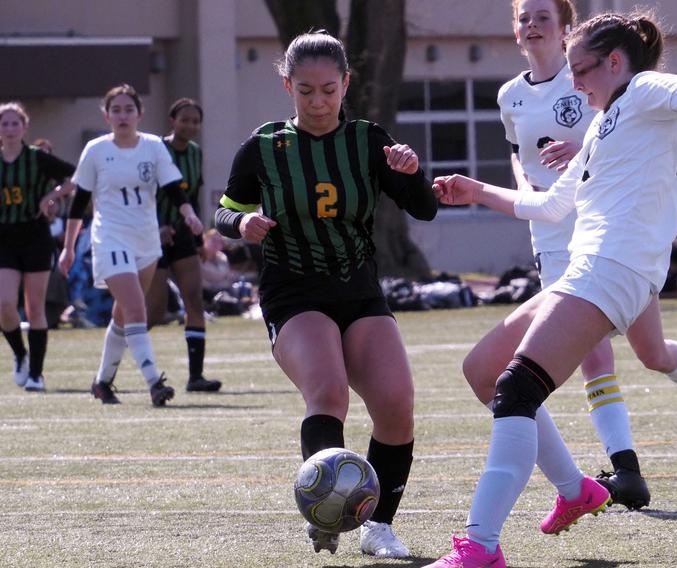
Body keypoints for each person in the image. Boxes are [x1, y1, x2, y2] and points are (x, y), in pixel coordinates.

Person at [428, 11, 677, 566]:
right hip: (586, 268)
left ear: (615, 62)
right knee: (483, 372)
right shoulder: (600, 125)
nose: (573, 82)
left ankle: (481, 547)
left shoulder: (642, 89)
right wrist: (475, 192)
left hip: (617, 270)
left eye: (581, 70)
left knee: (517, 389)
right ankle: (576, 490)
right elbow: (550, 205)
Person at [213, 32, 437, 558]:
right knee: (329, 393)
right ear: (287, 85)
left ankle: (378, 528)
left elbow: (423, 208)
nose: (318, 102)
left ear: (346, 85)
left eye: (329, 90)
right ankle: (324, 512)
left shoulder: (366, 140)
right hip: (293, 291)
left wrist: (411, 173)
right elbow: (222, 213)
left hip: (358, 289)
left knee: (397, 405)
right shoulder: (264, 147)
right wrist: (241, 221)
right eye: (306, 91)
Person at [58, 84, 204, 406]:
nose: (122, 115)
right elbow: (78, 202)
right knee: (137, 307)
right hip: (110, 237)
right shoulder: (96, 150)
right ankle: (154, 382)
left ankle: (101, 382)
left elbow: (173, 188)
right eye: (116, 110)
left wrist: (190, 215)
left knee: (123, 315)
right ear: (106, 115)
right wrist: (69, 248)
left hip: (146, 238)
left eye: (128, 109)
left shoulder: (153, 146)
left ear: (140, 113)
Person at [145, 98, 221, 392]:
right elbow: (143, 196)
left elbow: (192, 197)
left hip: (183, 235)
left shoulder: (195, 153)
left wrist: (200, 238)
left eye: (195, 121)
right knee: (155, 310)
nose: (190, 125)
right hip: (152, 236)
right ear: (171, 121)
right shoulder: (155, 151)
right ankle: (111, 362)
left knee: (194, 300)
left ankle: (195, 377)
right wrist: (155, 227)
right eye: (184, 119)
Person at [0, 102, 76, 392]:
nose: (9, 129)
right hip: (4, 238)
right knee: (5, 304)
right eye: (4, 124)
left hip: (35, 236)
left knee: (35, 307)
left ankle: (36, 374)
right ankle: (20, 354)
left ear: (24, 127)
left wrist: (52, 196)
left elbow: (77, 177)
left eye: (14, 123)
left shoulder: (37, 159)